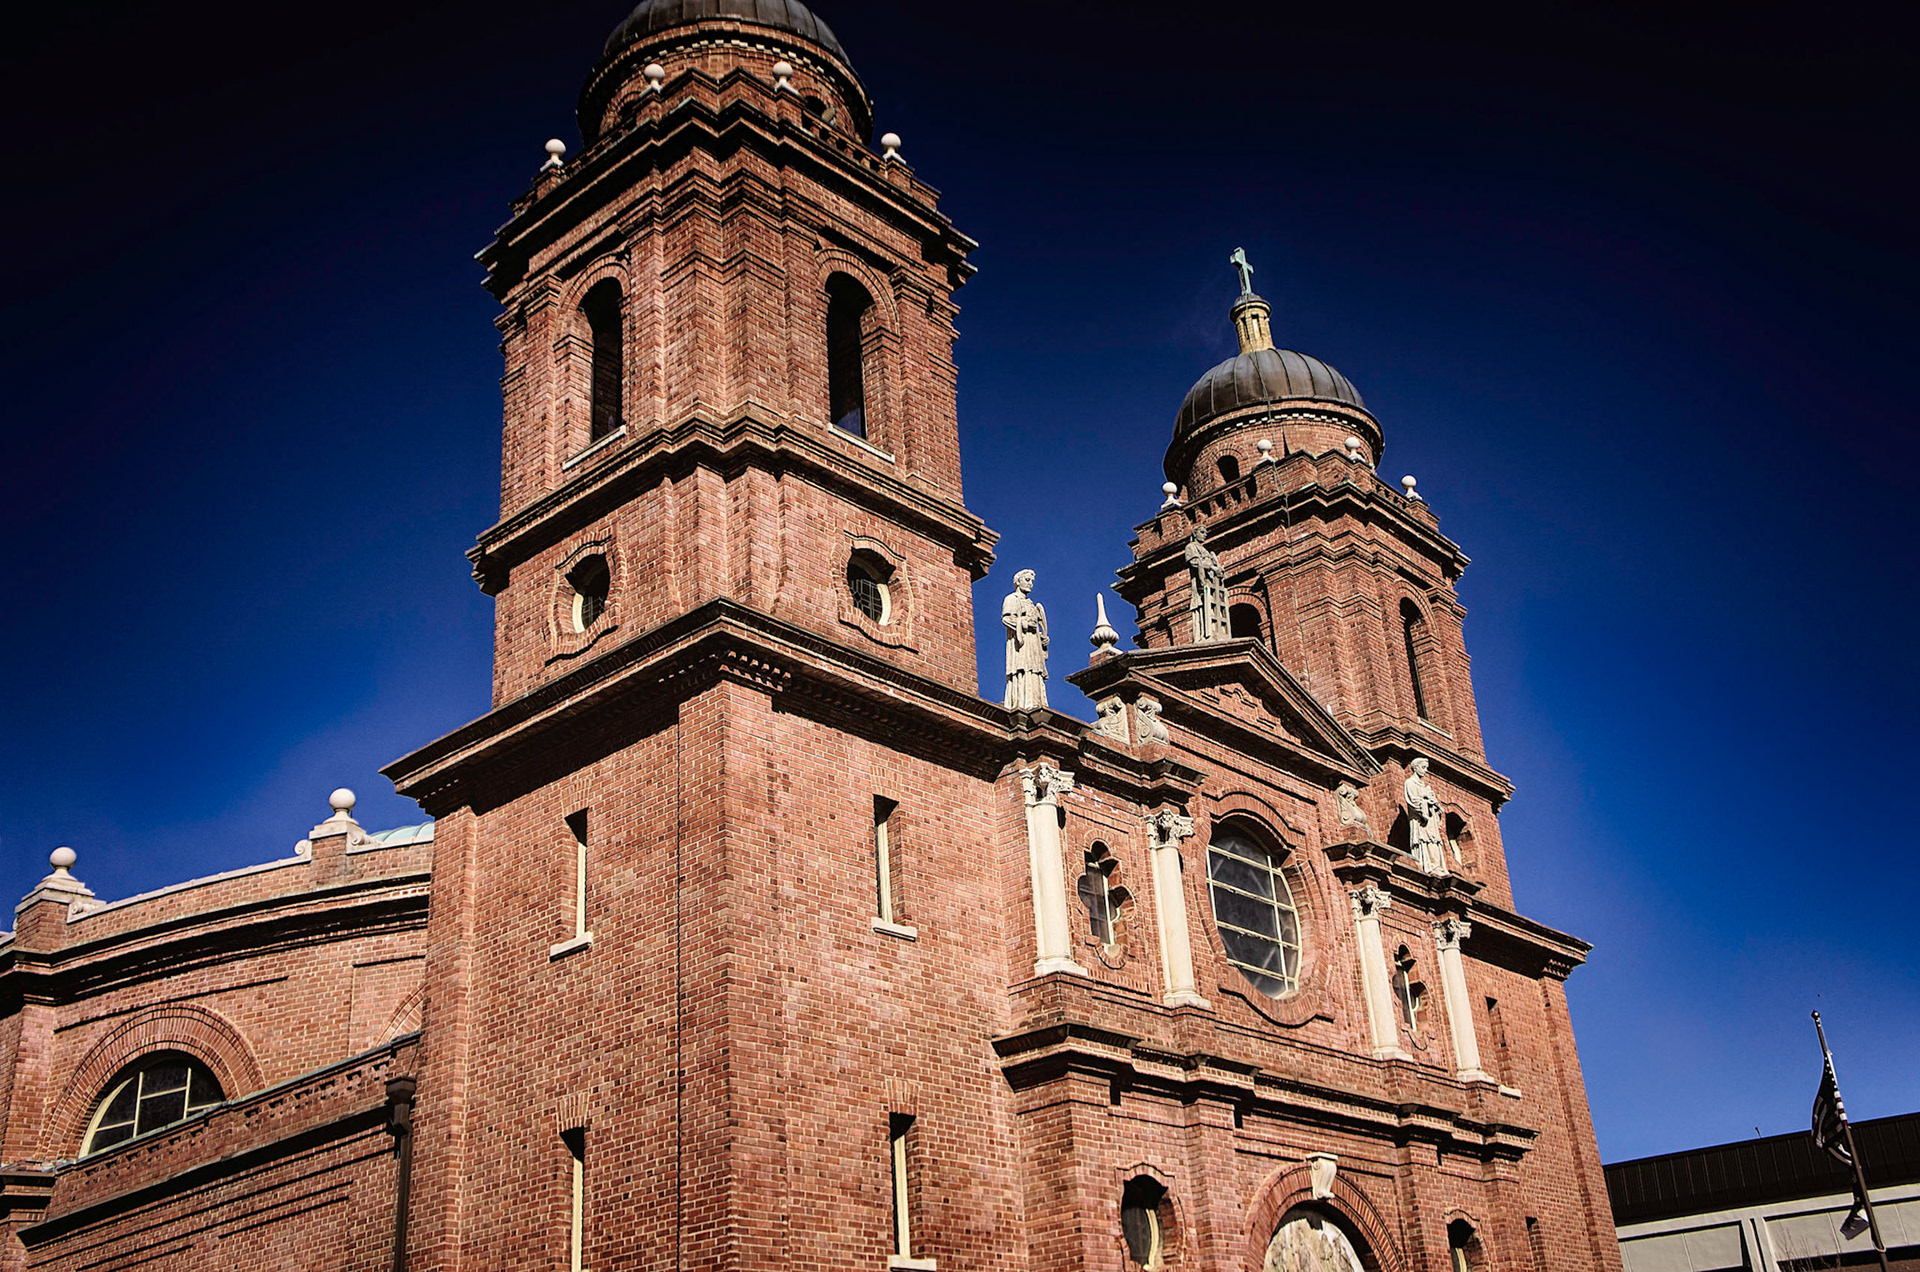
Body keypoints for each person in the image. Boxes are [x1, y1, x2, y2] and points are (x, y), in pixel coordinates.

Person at [1002, 569, 1049, 711]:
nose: (1030, 584)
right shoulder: (1012, 599)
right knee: (1023, 668)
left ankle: (1036, 700)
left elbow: (1039, 625)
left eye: (1032, 582)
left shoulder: (1032, 603)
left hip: (1033, 644)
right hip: (1021, 644)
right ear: (1018, 582)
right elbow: (1006, 618)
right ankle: (1022, 700)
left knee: (1035, 669)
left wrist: (1043, 640)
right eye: (1027, 580)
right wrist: (1024, 623)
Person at [1403, 758, 1447, 875]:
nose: (1425, 771)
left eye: (1426, 768)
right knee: (1425, 840)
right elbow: (1412, 801)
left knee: (1434, 841)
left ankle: (1437, 866)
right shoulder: (1410, 783)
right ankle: (1429, 865)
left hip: (1430, 820)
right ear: (1415, 768)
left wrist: (1435, 806)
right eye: (1423, 768)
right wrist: (1426, 803)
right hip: (1421, 820)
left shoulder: (1424, 786)